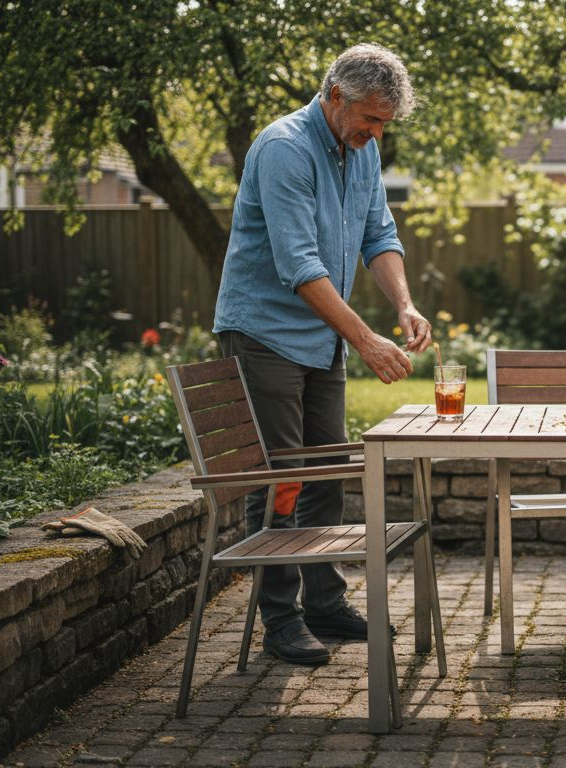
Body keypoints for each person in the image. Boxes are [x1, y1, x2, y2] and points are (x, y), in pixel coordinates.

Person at [212, 43, 432, 666]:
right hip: (264, 336)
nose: (376, 132)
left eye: (385, 122)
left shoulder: (360, 149)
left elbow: (378, 234)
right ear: (335, 96)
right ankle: (280, 621)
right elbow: (299, 266)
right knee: (282, 479)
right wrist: (365, 339)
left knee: (329, 474)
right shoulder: (284, 148)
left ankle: (325, 602)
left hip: (319, 337)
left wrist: (404, 308)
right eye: (370, 117)